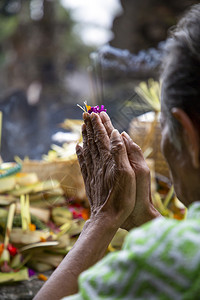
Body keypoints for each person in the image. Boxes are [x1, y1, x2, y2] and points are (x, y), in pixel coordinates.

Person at [34, 4, 200, 300]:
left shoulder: (151, 263)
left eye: (162, 126)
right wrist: (145, 216)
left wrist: (103, 217)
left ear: (189, 139)